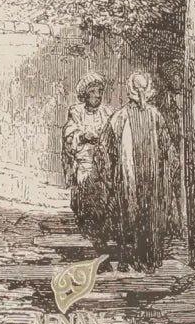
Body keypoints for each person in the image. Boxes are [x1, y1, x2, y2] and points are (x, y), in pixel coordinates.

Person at [105, 72, 168, 271]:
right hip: (128, 174)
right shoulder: (121, 116)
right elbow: (108, 146)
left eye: (143, 88)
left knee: (150, 213)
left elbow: (165, 144)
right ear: (131, 89)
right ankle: (127, 257)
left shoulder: (155, 115)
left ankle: (149, 258)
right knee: (128, 212)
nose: (140, 92)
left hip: (151, 175)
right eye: (137, 88)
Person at [62, 73, 114, 247]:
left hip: (104, 163)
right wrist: (83, 136)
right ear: (85, 94)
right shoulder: (76, 111)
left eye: (100, 91)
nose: (97, 95)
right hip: (85, 161)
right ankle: (90, 229)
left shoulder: (107, 112)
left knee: (105, 196)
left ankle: (101, 231)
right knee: (86, 190)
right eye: (93, 91)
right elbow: (70, 134)